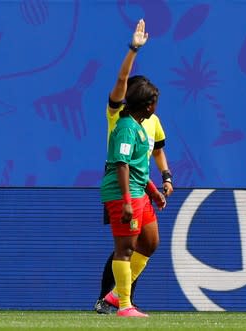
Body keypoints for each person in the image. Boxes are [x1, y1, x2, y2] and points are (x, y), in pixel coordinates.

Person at [99, 18, 168, 318]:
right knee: (123, 247)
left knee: (149, 242)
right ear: (146, 103)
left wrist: (158, 185)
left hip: (140, 188)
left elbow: (154, 154)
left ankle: (116, 296)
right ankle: (118, 302)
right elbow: (120, 81)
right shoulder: (120, 119)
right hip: (123, 188)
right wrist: (133, 49)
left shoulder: (147, 123)